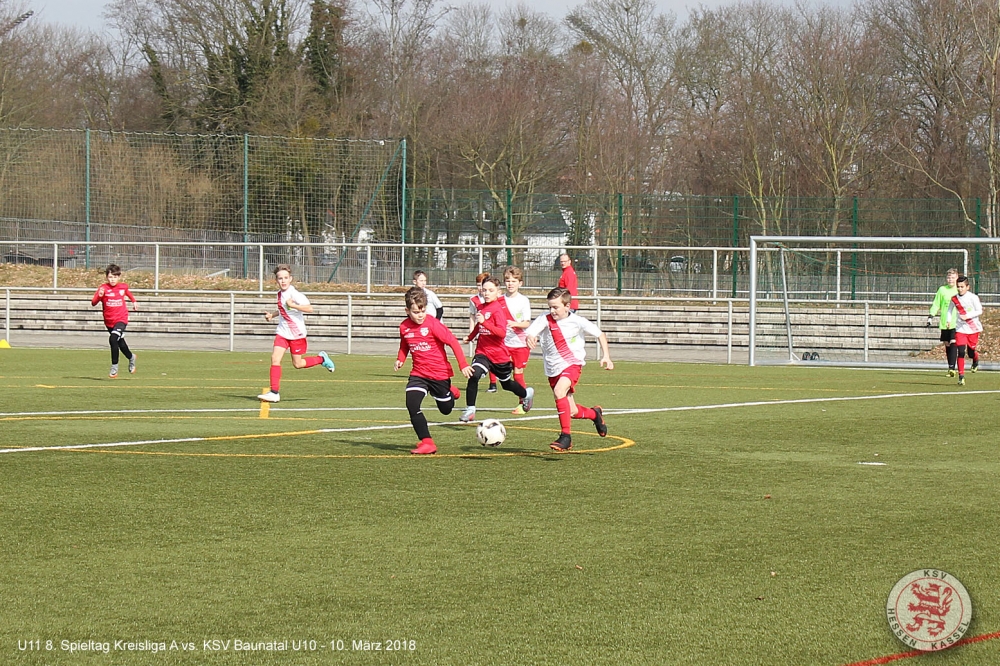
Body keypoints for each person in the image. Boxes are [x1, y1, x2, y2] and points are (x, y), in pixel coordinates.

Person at [525, 287, 613, 452]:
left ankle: (566, 437)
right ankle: (595, 414)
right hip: (553, 369)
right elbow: (530, 333)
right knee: (572, 411)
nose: (552, 311)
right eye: (550, 307)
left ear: (567, 306)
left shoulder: (578, 321)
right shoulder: (545, 318)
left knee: (559, 391)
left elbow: (600, 334)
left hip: (572, 364)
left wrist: (606, 356)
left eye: (556, 307)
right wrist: (530, 337)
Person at [395, 287, 475, 454]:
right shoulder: (404, 327)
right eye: (416, 312)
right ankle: (427, 442)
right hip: (419, 374)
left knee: (445, 410)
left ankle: (450, 391)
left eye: (422, 311)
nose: (420, 315)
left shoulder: (433, 324)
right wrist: (400, 359)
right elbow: (405, 344)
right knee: (411, 404)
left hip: (439, 375)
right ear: (407, 311)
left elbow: (453, 342)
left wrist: (463, 364)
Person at [460, 276, 534, 422]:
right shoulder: (481, 307)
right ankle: (470, 409)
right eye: (484, 290)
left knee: (506, 384)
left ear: (498, 292)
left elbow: (501, 333)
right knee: (474, 375)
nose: (487, 293)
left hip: (499, 356)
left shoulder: (498, 310)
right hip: (483, 352)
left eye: (491, 290)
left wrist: (485, 323)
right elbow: (479, 325)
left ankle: (526, 394)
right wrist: (471, 336)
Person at [257, 264, 335, 403]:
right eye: (280, 278)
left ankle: (322, 359)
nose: (283, 281)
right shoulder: (280, 294)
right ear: (276, 280)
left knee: (298, 364)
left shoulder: (295, 294)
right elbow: (283, 309)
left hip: (296, 334)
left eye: (286, 278)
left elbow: (310, 308)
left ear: (290, 279)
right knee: (275, 359)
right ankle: (274, 392)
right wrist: (272, 315)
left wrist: (293, 305)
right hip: (282, 332)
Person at [91, 263, 138, 378]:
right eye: (110, 277)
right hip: (109, 321)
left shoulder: (123, 287)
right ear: (107, 277)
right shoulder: (103, 288)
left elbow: (128, 293)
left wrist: (134, 302)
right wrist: (99, 296)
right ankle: (131, 357)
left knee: (112, 339)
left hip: (121, 319)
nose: (112, 279)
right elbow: (93, 303)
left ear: (119, 277)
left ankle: (114, 367)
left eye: (115, 277)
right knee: (120, 343)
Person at [502, 266, 533, 414]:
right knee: (502, 372)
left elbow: (526, 323)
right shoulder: (499, 300)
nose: (510, 284)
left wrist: (514, 324)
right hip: (504, 343)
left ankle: (523, 401)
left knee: (518, 373)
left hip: (520, 343)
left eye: (514, 281)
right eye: (508, 280)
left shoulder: (523, 300)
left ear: (520, 283)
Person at [946, 275, 983, 386]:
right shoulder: (954, 298)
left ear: (968, 287)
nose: (960, 289)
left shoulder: (973, 298)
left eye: (962, 287)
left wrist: (968, 316)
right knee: (961, 351)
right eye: (958, 287)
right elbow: (949, 310)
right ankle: (961, 376)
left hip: (973, 328)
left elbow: (979, 311)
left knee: (971, 352)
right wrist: (948, 320)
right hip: (960, 328)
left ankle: (975, 360)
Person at [468, 271, 499, 392]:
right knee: (482, 356)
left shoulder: (495, 298)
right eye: (478, 285)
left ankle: (493, 383)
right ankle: (489, 380)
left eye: (482, 285)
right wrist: (472, 332)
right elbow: (472, 315)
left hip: (493, 332)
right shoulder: (474, 299)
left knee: (494, 358)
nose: (480, 288)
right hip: (482, 332)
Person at [927, 268, 959, 376]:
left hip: (956, 322)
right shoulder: (942, 290)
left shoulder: (959, 290)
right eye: (949, 278)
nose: (950, 280)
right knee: (947, 344)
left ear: (957, 278)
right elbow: (936, 304)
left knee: (953, 342)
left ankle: (952, 368)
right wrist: (931, 316)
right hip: (944, 322)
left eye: (953, 278)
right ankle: (950, 367)